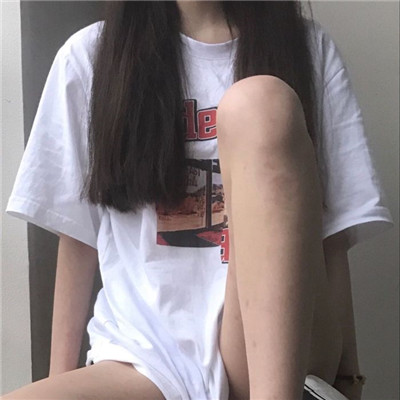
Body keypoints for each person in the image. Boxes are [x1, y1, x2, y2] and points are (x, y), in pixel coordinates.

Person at [2, 1, 394, 400]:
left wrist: (348, 380)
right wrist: (58, 380)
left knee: (259, 101)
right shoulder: (90, 56)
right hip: (145, 356)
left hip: (275, 353)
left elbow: (331, 239)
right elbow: (78, 238)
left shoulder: (306, 48)